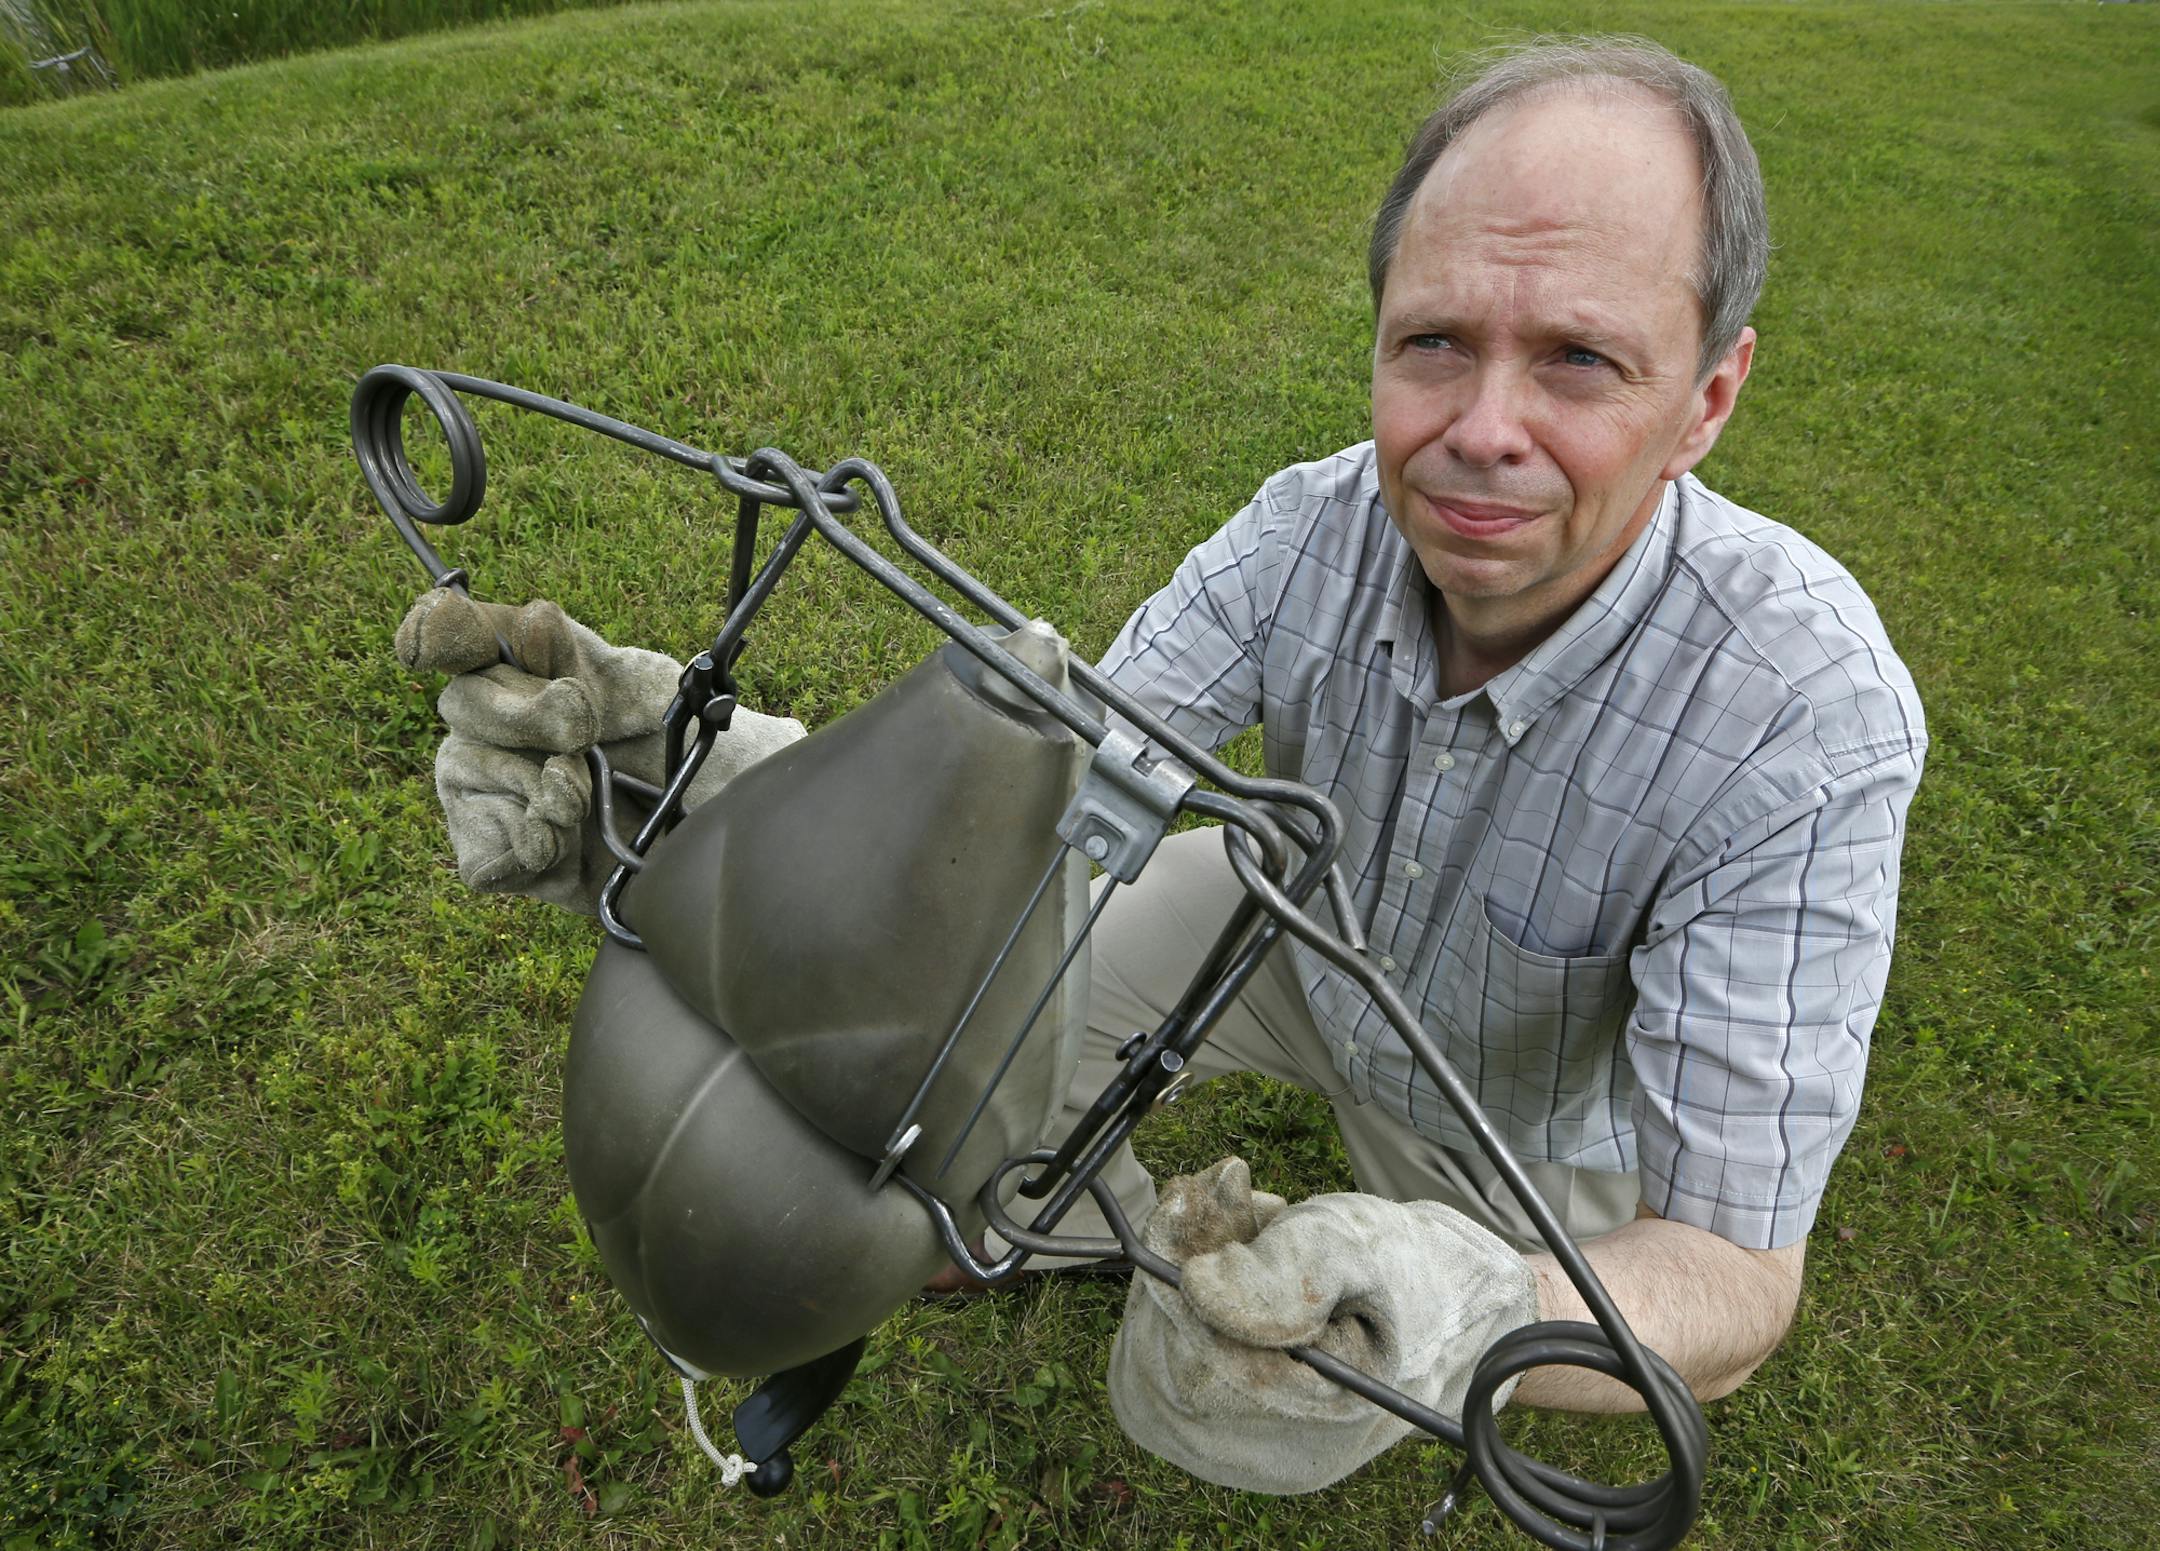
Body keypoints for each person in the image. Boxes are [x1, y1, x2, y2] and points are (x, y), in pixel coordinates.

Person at [400, 37, 1924, 1418]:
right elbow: (1062, 791)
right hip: (1295, 929)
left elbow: (1732, 1276)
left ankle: (1306, 1302)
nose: (1482, 431)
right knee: (949, 1050)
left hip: (1517, 1110)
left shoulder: (1802, 715)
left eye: (1579, 359)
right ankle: (1030, 1220)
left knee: (1262, 1397)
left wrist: (1470, 1305)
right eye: (1435, 342)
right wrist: (714, 794)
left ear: (1708, 398)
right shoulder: (1309, 529)